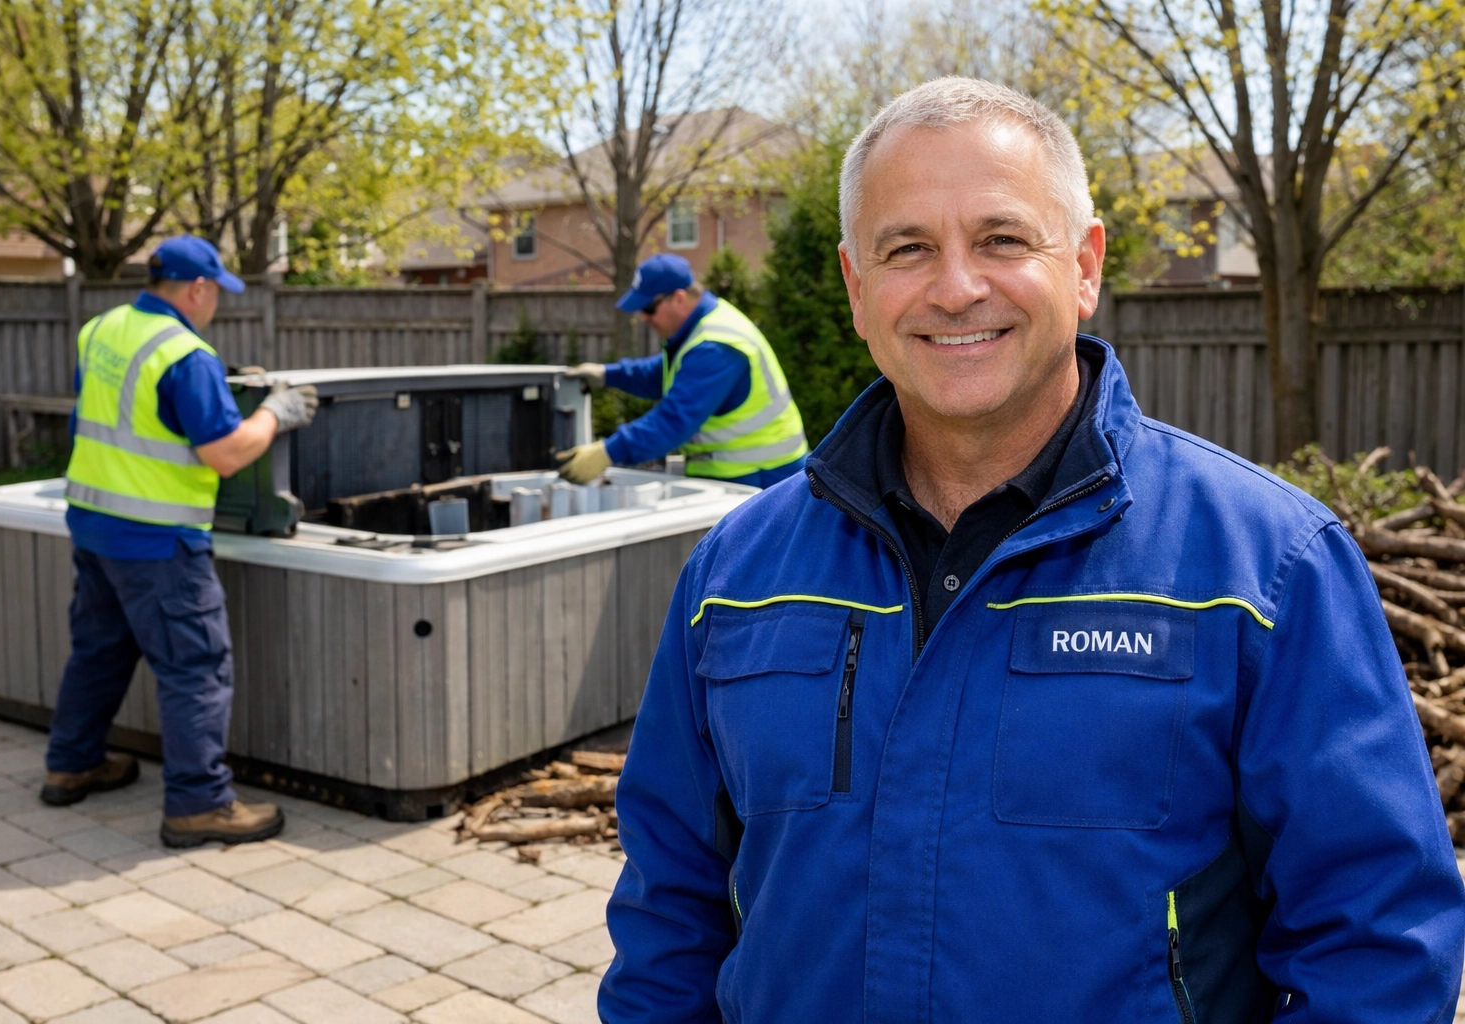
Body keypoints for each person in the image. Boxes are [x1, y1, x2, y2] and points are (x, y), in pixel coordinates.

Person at [600, 78, 1465, 1022]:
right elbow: (669, 918)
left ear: (1085, 267)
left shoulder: (1268, 570)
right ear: (856, 289)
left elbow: (1379, 943)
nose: (956, 285)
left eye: (1003, 239)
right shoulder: (735, 578)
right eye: (908, 249)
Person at [41, 236, 319, 849]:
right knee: (196, 666)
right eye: (215, 289)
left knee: (100, 650)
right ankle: (199, 803)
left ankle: (71, 763)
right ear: (197, 289)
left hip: (94, 521)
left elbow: (119, 414)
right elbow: (225, 455)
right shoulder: (184, 354)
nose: (215, 301)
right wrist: (277, 411)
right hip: (158, 539)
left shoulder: (102, 328)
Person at [555, 253, 808, 488]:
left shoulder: (715, 348)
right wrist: (608, 374)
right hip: (740, 477)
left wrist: (607, 452)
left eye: (649, 309)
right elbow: (661, 375)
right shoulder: (703, 327)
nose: (644, 318)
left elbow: (673, 422)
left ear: (678, 298)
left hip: (760, 480)